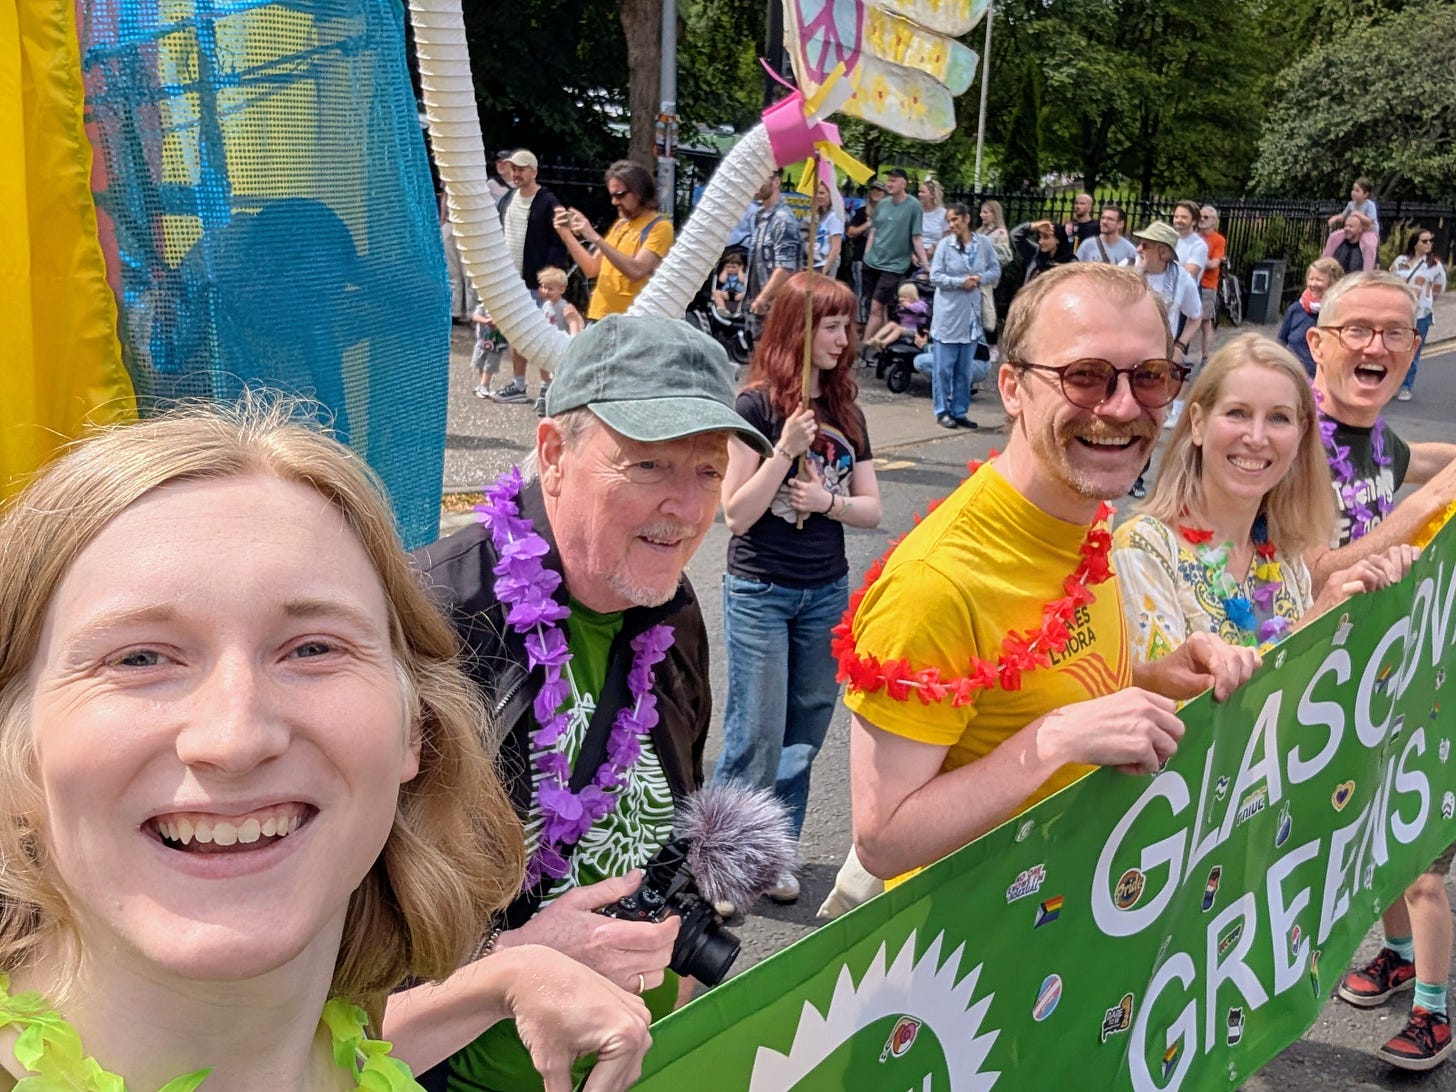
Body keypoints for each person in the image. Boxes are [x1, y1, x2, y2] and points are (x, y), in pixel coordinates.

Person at [0, 401, 652, 1091]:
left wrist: (501, 980)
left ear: (415, 728)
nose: (236, 738)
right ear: (17, 748)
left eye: (313, 648)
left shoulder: (345, 1044)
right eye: (138, 659)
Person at [399, 315, 774, 1091]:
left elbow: (667, 816)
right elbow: (336, 958)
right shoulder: (432, 622)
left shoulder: (668, 608)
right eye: (647, 466)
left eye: (708, 471)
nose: (685, 506)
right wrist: (520, 962)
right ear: (553, 455)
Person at [843, 263, 1258, 885]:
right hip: (975, 955)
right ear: (1012, 387)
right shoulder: (935, 584)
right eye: (1084, 376)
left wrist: (1155, 677)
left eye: (1148, 377)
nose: (1121, 407)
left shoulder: (1081, 512)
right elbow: (883, 839)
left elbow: (1025, 693)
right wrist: (1057, 738)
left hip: (1082, 919)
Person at [1303, 270, 1456, 1072]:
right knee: (1372, 836)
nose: (1378, 346)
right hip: (1330, 684)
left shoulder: (1383, 442)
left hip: (1407, 678)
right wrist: (1418, 516)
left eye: (1398, 333)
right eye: (1358, 329)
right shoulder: (1285, 439)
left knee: (1418, 849)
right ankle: (1397, 952)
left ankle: (1434, 1007)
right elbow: (1308, 572)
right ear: (1320, 341)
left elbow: (1429, 460)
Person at [714, 273, 883, 906]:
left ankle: (773, 851)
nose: (845, 338)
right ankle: (726, 860)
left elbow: (871, 508)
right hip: (760, 587)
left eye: (848, 325)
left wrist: (826, 500)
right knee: (754, 733)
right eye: (832, 326)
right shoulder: (756, 408)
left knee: (802, 733)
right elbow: (735, 512)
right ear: (798, 330)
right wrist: (783, 453)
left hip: (824, 592)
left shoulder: (847, 413)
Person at [1112, 333, 1411, 661]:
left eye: (1278, 418)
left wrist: (1366, 604)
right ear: (1198, 423)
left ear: (1300, 437)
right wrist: (1315, 621)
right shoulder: (1146, 549)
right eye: (1237, 413)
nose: (1256, 437)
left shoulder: (1283, 554)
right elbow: (1173, 707)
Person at [554, 160, 674, 323]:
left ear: (639, 192)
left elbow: (636, 271)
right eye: (612, 195)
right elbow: (592, 269)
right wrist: (565, 234)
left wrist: (595, 237)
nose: (615, 202)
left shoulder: (660, 227)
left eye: (620, 195)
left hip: (630, 320)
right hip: (599, 316)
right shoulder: (621, 223)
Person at [493, 150, 567, 411]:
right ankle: (518, 383)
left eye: (522, 169)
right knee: (516, 334)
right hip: (512, 280)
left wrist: (551, 281)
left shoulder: (548, 202)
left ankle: (547, 386)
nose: (516, 174)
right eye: (513, 169)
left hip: (537, 281)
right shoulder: (508, 199)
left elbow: (559, 242)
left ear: (534, 171)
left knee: (542, 333)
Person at [927, 202, 1000, 429]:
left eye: (955, 220)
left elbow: (995, 270)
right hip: (948, 315)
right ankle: (942, 410)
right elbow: (935, 277)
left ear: (966, 219)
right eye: (949, 221)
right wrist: (960, 282)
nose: (952, 225)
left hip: (970, 317)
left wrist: (979, 279)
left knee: (964, 370)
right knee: (943, 368)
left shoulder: (983, 244)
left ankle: (960, 410)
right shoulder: (944, 246)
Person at [1132, 220, 1202, 437]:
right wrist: (1136, 273)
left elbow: (1195, 316)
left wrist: (1180, 346)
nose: (1139, 248)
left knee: (1149, 409)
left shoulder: (1182, 279)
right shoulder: (1128, 270)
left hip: (1159, 353)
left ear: (1163, 252)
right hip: (1128, 349)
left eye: (1145, 245)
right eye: (1139, 243)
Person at [861, 168, 927, 345]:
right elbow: (874, 230)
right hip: (872, 261)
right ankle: (884, 343)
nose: (890, 184)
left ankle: (865, 346)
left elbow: (916, 237)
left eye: (894, 180)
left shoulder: (913, 206)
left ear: (904, 183)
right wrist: (867, 255)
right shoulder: (883, 204)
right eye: (889, 180)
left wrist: (927, 266)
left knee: (876, 305)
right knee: (877, 307)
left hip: (894, 265)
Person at [744, 171, 806, 342]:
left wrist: (763, 298)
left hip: (777, 308)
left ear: (776, 181)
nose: (756, 182)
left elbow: (785, 267)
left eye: (761, 177)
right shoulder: (760, 216)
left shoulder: (783, 219)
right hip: (759, 309)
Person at [1390, 227, 1447, 401]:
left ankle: (1406, 386)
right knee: (1394, 349)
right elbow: (1389, 280)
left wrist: (1427, 301)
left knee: (1413, 350)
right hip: (1399, 312)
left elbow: (1439, 288)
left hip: (1421, 314)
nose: (1429, 244)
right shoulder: (1400, 261)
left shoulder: (1434, 265)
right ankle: (1392, 384)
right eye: (1425, 241)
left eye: (1430, 241)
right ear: (1415, 243)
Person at [1275, 257, 1344, 378]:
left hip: (1323, 377)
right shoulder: (1296, 309)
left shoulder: (1338, 312)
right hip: (1293, 374)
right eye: (1311, 279)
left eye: (1319, 280)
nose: (1313, 284)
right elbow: (1281, 341)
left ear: (1333, 282)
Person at [845, 180, 885, 322]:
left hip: (881, 259)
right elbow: (850, 232)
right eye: (874, 190)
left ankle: (872, 322)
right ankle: (859, 321)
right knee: (861, 291)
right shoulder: (862, 212)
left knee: (876, 294)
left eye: (879, 190)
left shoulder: (888, 214)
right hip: (861, 257)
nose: (876, 193)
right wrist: (867, 224)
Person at [1192, 205, 1226, 365]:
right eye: (1200, 216)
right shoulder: (1193, 237)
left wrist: (1196, 259)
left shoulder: (1218, 240)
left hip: (1207, 285)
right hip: (1192, 283)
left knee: (1204, 321)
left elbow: (1214, 263)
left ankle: (1205, 357)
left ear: (1214, 221)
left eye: (1206, 217)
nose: (1202, 220)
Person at [1011, 219, 1075, 286]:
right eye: (1040, 237)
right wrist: (1036, 226)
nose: (1040, 242)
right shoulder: (1035, 253)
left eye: (1046, 237)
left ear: (1058, 239)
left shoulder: (1070, 262)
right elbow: (1015, 235)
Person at [471, 302, 509, 399]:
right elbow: (475, 316)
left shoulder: (504, 308)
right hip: (482, 342)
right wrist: (486, 320)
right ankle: (483, 385)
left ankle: (484, 385)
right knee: (480, 363)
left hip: (497, 342)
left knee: (490, 365)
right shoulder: (482, 307)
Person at [813, 180, 845, 279]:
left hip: (825, 266)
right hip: (815, 263)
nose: (818, 196)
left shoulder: (835, 216)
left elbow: (836, 248)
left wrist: (824, 272)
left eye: (822, 193)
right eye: (816, 193)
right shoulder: (820, 215)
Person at [1171, 200, 1209, 282]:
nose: (1178, 220)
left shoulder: (1199, 245)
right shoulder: (1167, 239)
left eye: (1183, 217)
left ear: (1194, 221)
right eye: (1176, 216)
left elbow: (1188, 275)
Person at [918, 178, 948, 257]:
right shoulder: (917, 211)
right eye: (919, 191)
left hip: (935, 254)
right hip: (916, 253)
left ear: (932, 194)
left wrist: (935, 247)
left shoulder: (943, 213)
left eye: (923, 192)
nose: (919, 194)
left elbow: (947, 236)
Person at [712, 249, 748, 314]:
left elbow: (743, 281)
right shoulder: (725, 274)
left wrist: (740, 271)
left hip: (738, 294)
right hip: (726, 293)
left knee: (747, 295)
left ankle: (740, 311)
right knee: (716, 293)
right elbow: (722, 280)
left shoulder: (742, 274)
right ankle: (722, 309)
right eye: (728, 267)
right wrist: (725, 271)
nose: (731, 269)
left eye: (734, 267)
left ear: (740, 266)